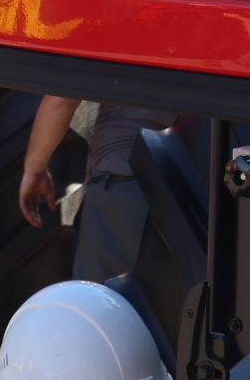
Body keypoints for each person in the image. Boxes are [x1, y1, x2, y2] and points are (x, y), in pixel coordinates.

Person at [19, 94, 178, 282]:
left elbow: (60, 100)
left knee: (104, 293)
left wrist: (35, 169)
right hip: (198, 173)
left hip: (127, 180)